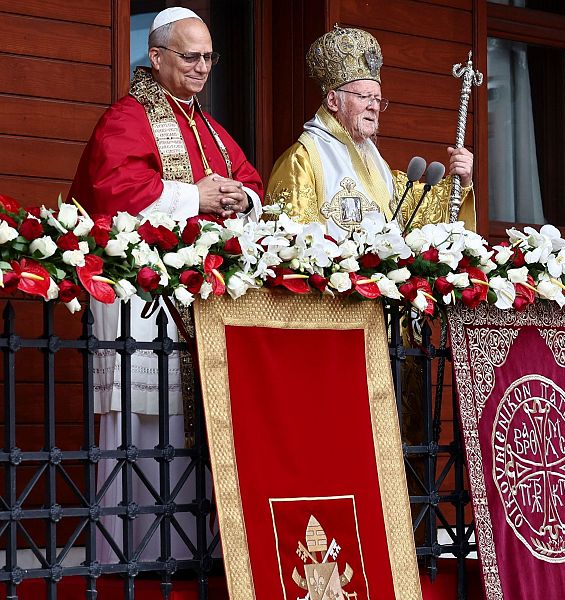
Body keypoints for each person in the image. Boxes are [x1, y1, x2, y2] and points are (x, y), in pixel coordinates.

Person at [67, 7, 263, 565]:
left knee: (200, 428)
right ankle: (135, 552)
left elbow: (247, 180)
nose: (203, 68)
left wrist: (238, 198)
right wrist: (191, 197)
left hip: (204, 299)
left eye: (209, 57)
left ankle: (195, 552)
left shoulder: (208, 125)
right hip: (145, 301)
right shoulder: (127, 117)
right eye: (191, 56)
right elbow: (111, 190)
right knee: (150, 427)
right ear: (156, 59)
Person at [266, 25, 476, 230]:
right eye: (364, 97)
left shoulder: (373, 161)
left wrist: (460, 180)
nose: (374, 106)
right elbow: (295, 243)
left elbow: (411, 210)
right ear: (333, 101)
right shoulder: (301, 161)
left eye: (377, 99)